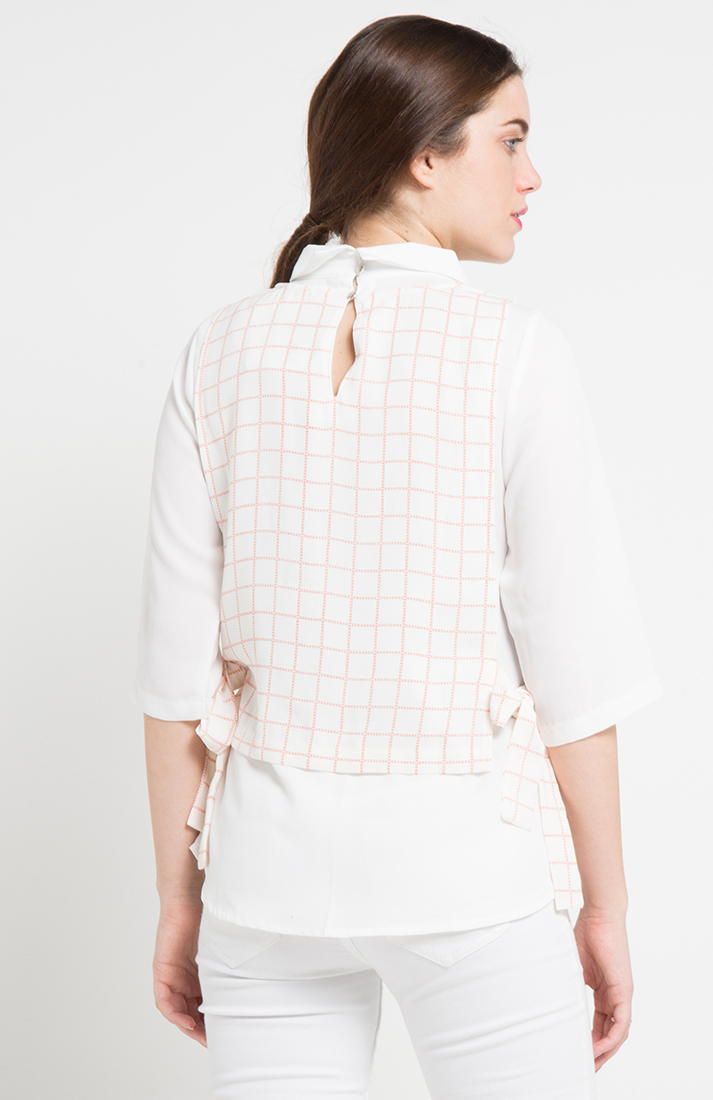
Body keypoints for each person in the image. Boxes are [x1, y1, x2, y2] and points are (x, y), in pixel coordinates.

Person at [136, 14, 663, 1099]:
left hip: (261, 888)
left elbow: (172, 680)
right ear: (426, 155)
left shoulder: (215, 350)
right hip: (467, 883)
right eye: (510, 140)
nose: (531, 174)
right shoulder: (515, 353)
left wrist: (180, 900)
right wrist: (606, 909)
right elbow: (575, 676)